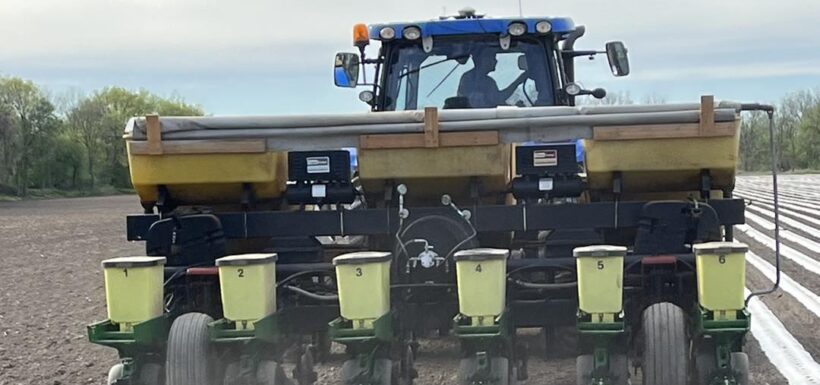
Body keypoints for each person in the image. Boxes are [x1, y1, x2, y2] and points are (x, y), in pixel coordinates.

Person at [457, 49, 528, 108]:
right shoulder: (468, 79)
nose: (496, 61)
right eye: (493, 57)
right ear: (482, 60)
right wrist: (518, 81)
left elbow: (497, 102)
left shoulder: (489, 81)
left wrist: (515, 107)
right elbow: (496, 99)